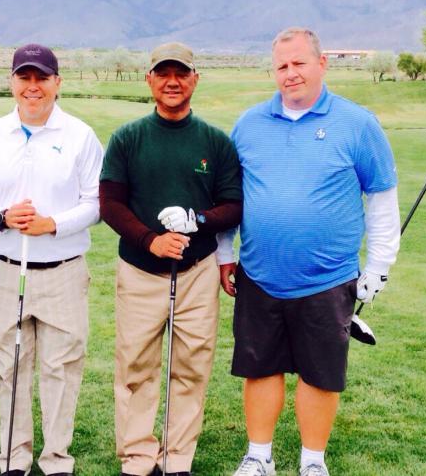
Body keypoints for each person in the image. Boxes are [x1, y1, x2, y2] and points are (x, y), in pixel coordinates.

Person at [223, 27, 400, 476]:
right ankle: (259, 457)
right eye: (282, 66)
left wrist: (379, 265)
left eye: (299, 63)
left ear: (322, 64)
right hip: (259, 273)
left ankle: (313, 462)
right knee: (260, 369)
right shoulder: (249, 124)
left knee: (319, 374)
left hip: (328, 278)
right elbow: (230, 197)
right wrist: (225, 253)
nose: (290, 73)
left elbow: (382, 198)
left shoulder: (357, 123)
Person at [99, 42, 243, 476]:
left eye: (182, 73)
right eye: (163, 73)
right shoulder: (128, 138)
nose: (173, 81)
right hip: (140, 270)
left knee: (191, 366)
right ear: (150, 79)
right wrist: (151, 241)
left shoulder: (215, 142)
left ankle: (177, 457)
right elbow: (111, 204)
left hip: (197, 272)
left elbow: (234, 205)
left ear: (195, 79)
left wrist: (197, 219)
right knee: (136, 366)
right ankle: (138, 456)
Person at [0, 43, 104, 476]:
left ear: (57, 82)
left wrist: (53, 224)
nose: (33, 86)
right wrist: (3, 217)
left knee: (60, 367)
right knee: (10, 366)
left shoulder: (80, 135)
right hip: (8, 269)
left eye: (42, 78)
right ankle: (14, 457)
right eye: (24, 77)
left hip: (63, 270)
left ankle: (56, 458)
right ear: (11, 82)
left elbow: (96, 203)